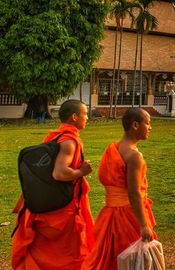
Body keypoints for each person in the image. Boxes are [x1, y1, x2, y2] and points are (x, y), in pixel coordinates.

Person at [12, 99, 95, 269]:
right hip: (62, 206)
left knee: (45, 248)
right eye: (85, 114)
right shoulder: (69, 141)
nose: (87, 117)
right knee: (69, 251)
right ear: (74, 117)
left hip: (50, 200)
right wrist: (82, 172)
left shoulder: (55, 136)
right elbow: (59, 173)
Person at [82, 107, 156, 270]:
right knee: (134, 261)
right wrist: (143, 224)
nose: (150, 128)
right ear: (135, 125)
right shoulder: (134, 156)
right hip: (127, 215)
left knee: (110, 259)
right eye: (148, 123)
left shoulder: (113, 148)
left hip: (109, 213)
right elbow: (134, 192)